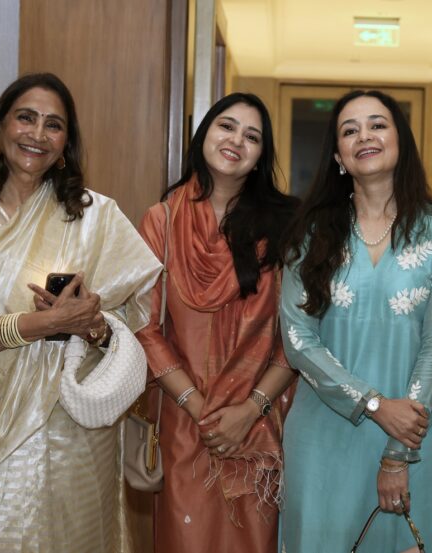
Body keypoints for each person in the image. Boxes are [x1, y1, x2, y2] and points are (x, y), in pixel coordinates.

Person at [0, 73, 162, 552]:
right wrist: (42, 324)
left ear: (66, 143)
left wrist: (94, 326)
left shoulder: (96, 214)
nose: (37, 133)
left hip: (73, 430)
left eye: (54, 125)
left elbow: (139, 319)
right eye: (25, 118)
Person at [279, 90, 432, 553]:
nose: (364, 135)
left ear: (400, 141)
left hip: (416, 437)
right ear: (339, 156)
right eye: (350, 130)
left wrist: (398, 452)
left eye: (377, 124)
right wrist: (372, 404)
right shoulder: (311, 233)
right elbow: (297, 339)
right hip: (324, 436)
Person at [136, 92, 299, 553]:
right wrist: (197, 408)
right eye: (227, 126)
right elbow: (144, 326)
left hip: (258, 425)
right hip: (185, 424)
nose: (236, 141)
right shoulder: (161, 221)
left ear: (261, 156)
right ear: (204, 132)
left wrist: (250, 410)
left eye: (252, 136)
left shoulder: (284, 226)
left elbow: (298, 336)